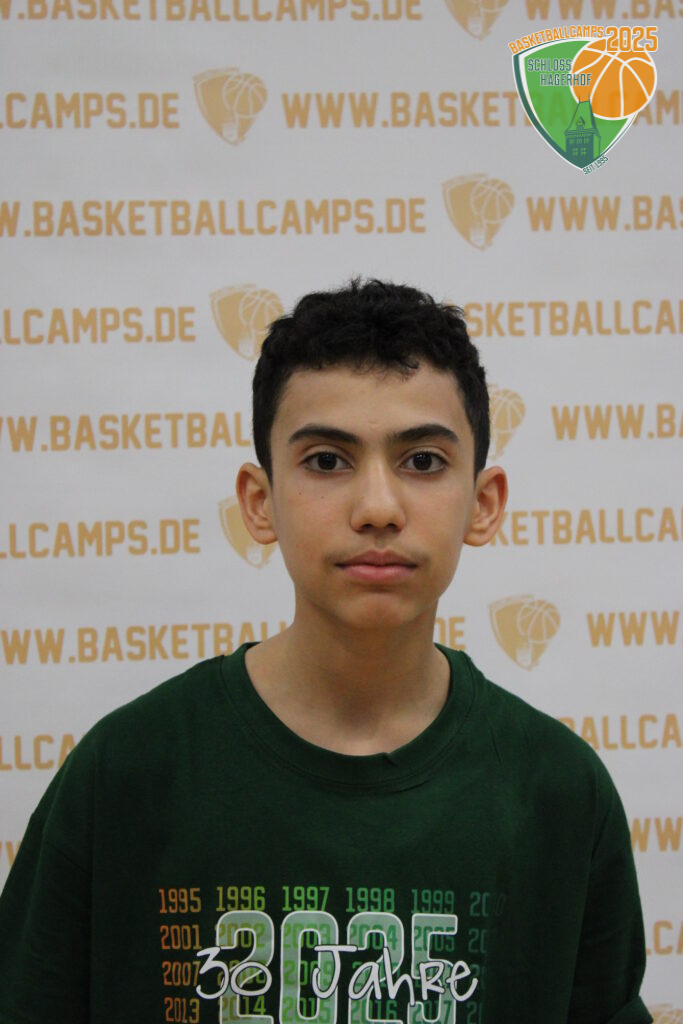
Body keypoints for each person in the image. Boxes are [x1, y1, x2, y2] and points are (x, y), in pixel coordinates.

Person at [0, 279, 651, 1023]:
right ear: (259, 501)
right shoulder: (128, 772)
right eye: (326, 461)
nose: (377, 508)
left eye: (423, 461)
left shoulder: (559, 794)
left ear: (483, 502)